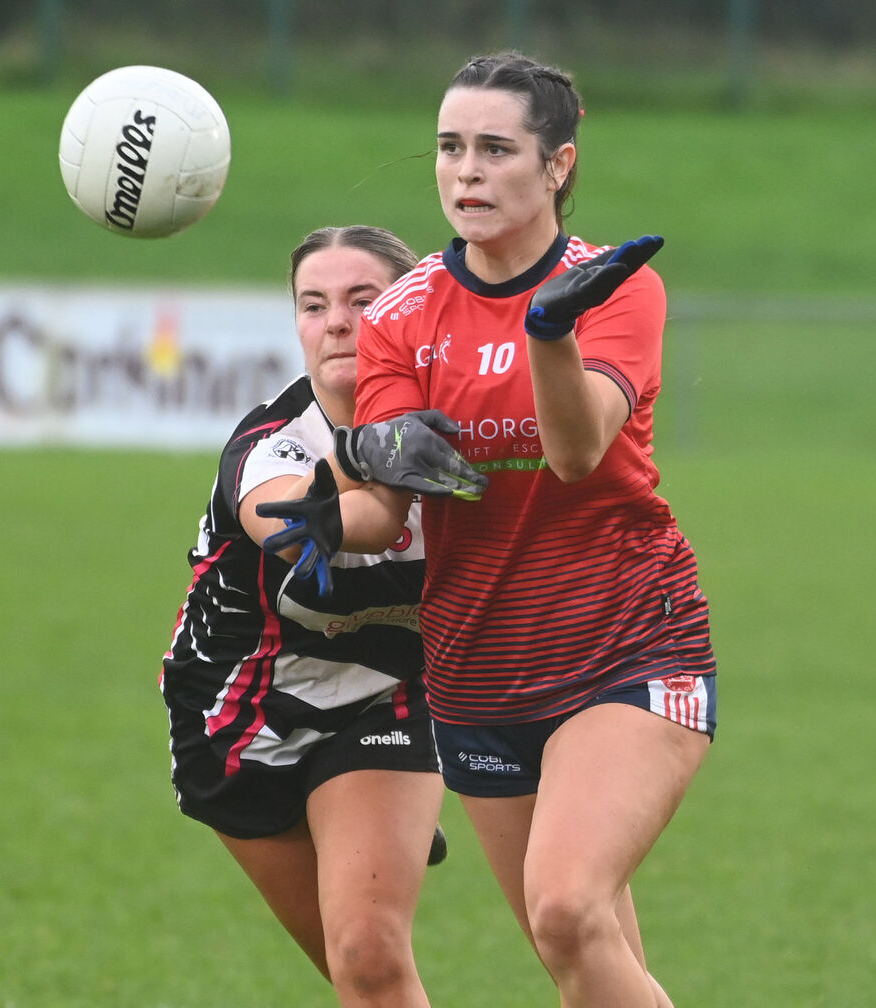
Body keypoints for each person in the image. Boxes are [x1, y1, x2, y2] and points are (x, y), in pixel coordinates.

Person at [262, 53, 717, 1008]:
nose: (465, 171)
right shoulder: (402, 316)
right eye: (450, 147)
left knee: (564, 907)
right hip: (480, 666)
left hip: (626, 637)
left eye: (495, 149)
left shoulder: (615, 289)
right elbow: (388, 506)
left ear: (557, 166)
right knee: (584, 951)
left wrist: (550, 332)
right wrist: (326, 514)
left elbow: (578, 452)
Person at [160, 225, 483, 1008]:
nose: (335, 320)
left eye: (361, 300)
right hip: (239, 719)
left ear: (413, 310)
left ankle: (374, 811)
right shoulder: (269, 445)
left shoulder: (462, 430)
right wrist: (364, 457)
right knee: (352, 977)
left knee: (370, 957)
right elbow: (295, 521)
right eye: (313, 304)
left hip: (386, 699)